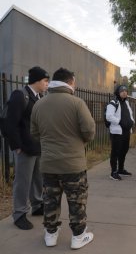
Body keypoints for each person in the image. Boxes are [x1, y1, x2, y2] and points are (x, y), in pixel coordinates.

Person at [30, 68, 96, 249]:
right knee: (77, 201)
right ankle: (78, 236)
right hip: (73, 164)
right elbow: (89, 131)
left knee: (50, 200)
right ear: (71, 82)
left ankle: (50, 234)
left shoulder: (39, 104)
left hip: (49, 164)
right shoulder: (77, 103)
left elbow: (34, 133)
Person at [5, 66, 49, 230]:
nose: (47, 84)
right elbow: (11, 123)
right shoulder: (20, 95)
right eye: (45, 80)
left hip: (37, 147)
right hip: (24, 147)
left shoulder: (38, 97)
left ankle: (37, 205)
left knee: (38, 178)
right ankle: (19, 214)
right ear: (37, 81)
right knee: (22, 182)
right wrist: (16, 146)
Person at [106, 85, 135, 180]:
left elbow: (130, 114)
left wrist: (132, 121)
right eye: (122, 91)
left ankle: (120, 169)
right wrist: (119, 121)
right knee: (115, 152)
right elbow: (109, 116)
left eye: (126, 91)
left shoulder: (126, 102)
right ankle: (113, 172)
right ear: (118, 92)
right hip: (117, 132)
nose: (124, 92)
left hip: (126, 131)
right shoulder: (113, 102)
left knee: (124, 151)